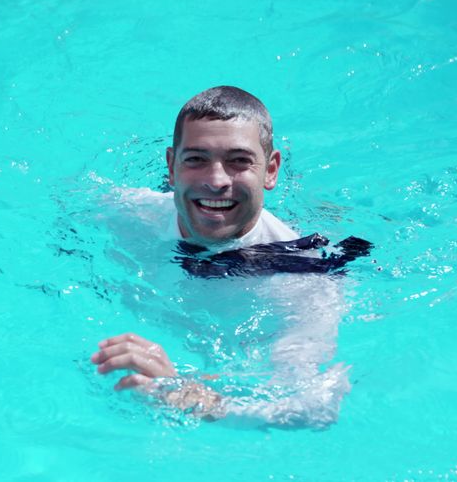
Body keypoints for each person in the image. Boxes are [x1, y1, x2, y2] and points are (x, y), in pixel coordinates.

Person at [89, 86, 353, 428]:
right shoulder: (127, 213)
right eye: (196, 159)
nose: (216, 181)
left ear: (271, 170)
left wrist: (189, 396)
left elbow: (313, 410)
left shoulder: (303, 281)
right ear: (171, 167)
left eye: (239, 161)